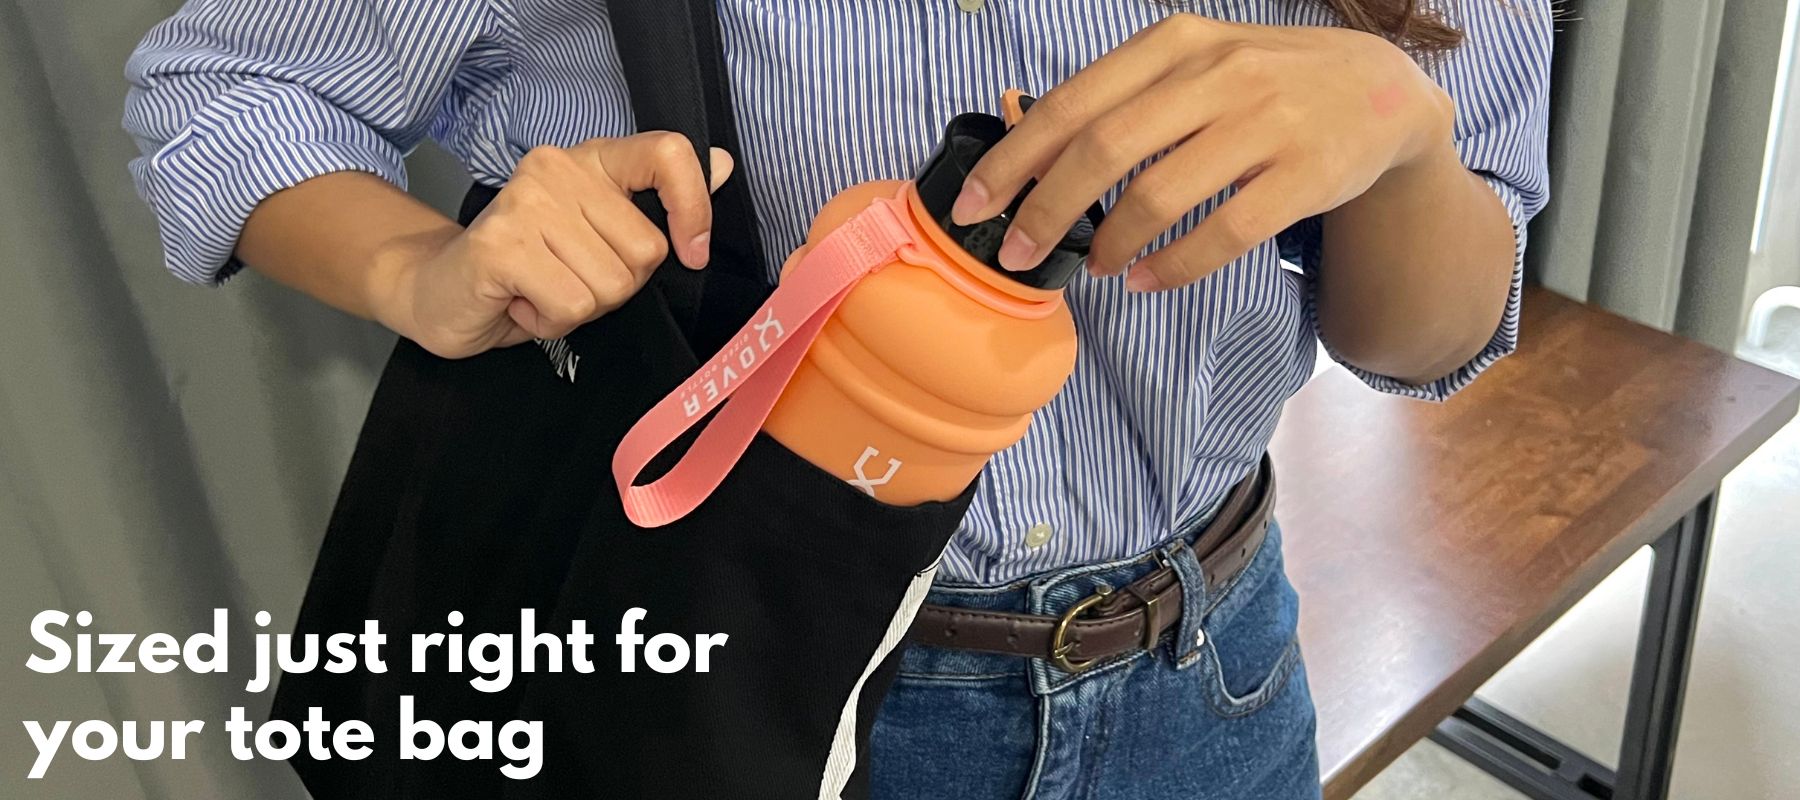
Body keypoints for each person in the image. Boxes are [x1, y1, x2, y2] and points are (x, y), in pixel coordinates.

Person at [124, 0, 1549, 797]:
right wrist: (426, 268)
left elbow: (1425, 341)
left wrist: (1406, 139)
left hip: (1213, 679)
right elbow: (227, 91)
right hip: (767, 685)